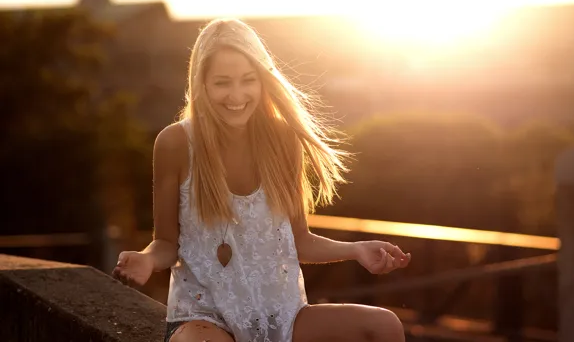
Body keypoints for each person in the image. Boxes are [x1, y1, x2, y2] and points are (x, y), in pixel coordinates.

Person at [112, 18, 412, 342]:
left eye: (248, 80)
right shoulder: (174, 143)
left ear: (262, 81)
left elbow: (301, 240)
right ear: (201, 84)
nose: (236, 95)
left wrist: (356, 250)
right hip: (205, 319)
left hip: (281, 316)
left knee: (385, 327)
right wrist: (146, 259)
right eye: (222, 82)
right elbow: (167, 244)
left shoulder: (282, 139)